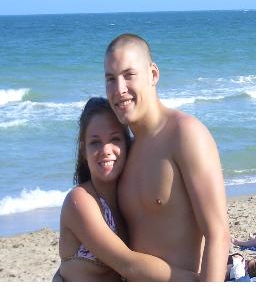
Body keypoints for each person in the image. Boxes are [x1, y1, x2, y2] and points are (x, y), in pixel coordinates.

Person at [104, 34, 230, 281]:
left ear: (153, 74)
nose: (119, 89)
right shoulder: (124, 152)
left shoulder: (184, 134)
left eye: (129, 75)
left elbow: (218, 234)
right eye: (110, 79)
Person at [54, 97, 198, 281]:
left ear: (127, 143)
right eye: (95, 142)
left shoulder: (128, 198)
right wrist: (197, 280)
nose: (106, 150)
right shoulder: (80, 200)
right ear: (84, 151)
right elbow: (128, 264)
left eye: (115, 139)